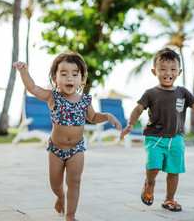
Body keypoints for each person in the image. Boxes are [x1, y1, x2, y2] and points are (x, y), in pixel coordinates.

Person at [14, 52, 122, 221]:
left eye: (74, 74)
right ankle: (60, 196)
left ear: (82, 78)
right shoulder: (53, 97)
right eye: (63, 74)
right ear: (55, 77)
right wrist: (23, 72)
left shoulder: (85, 100)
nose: (69, 78)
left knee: (75, 181)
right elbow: (33, 88)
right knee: (55, 184)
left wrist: (107, 116)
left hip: (76, 149)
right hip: (56, 149)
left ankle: (70, 215)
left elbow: (93, 118)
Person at [120, 47, 194, 212]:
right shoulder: (150, 93)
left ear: (179, 72)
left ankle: (169, 199)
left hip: (176, 139)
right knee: (153, 166)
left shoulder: (183, 92)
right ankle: (149, 184)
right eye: (162, 69)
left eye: (172, 69)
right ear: (154, 71)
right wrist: (130, 124)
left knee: (174, 170)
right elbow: (138, 109)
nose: (167, 73)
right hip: (154, 137)